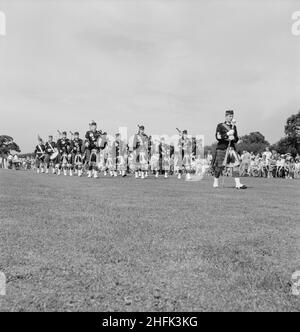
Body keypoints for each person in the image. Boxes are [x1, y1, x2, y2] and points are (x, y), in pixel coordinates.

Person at [212, 110, 247, 189]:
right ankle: (215, 181)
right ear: (226, 116)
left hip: (231, 148)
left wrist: (233, 138)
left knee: (235, 166)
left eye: (232, 116)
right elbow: (218, 137)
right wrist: (227, 135)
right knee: (219, 166)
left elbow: (236, 139)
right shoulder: (220, 125)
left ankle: (238, 184)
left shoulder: (234, 127)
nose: (231, 118)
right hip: (222, 148)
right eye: (229, 116)